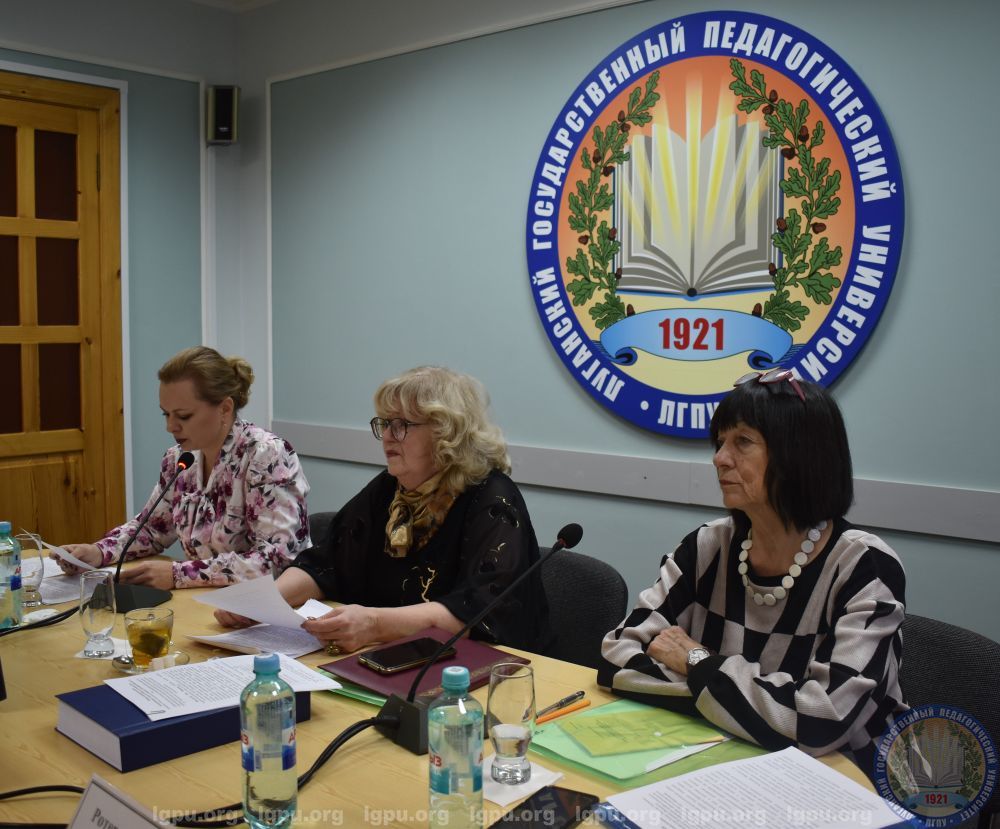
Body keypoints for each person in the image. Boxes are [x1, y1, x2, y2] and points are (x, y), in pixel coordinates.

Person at [598, 369, 907, 771]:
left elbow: (821, 722)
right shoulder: (707, 545)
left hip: (849, 778)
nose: (719, 458)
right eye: (720, 441)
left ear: (800, 455)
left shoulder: (864, 565)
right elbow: (616, 657)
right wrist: (746, 703)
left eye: (742, 442)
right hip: (726, 759)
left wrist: (695, 660)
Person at [215, 365, 551, 656]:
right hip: (390, 657)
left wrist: (374, 624)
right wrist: (263, 603)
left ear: (445, 432)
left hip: (480, 671)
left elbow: (479, 614)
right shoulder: (390, 488)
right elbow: (325, 564)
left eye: (401, 425)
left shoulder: (492, 499)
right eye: (384, 423)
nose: (387, 436)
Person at [55, 346, 311, 588]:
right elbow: (152, 529)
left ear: (225, 408)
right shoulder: (179, 459)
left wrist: (179, 574)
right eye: (166, 414)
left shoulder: (266, 455)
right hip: (206, 598)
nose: (170, 427)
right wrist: (98, 552)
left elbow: (277, 559)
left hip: (270, 605)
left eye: (183, 416)